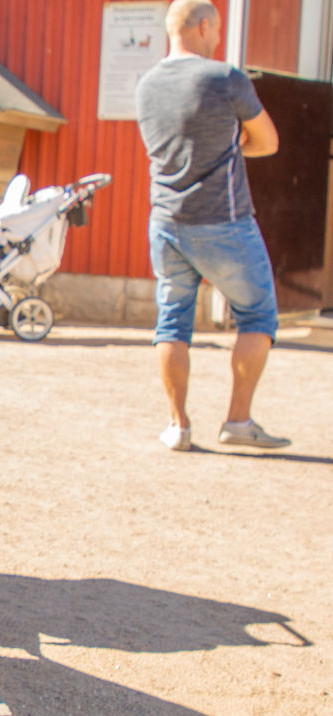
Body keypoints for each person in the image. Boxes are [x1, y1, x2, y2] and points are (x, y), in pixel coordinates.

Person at [134, 0, 289, 451]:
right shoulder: (225, 79)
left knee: (172, 324)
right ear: (204, 26)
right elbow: (269, 141)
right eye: (216, 31)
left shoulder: (146, 86)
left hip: (165, 222)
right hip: (225, 221)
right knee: (258, 316)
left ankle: (178, 426)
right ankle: (238, 420)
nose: (218, 39)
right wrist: (235, 143)